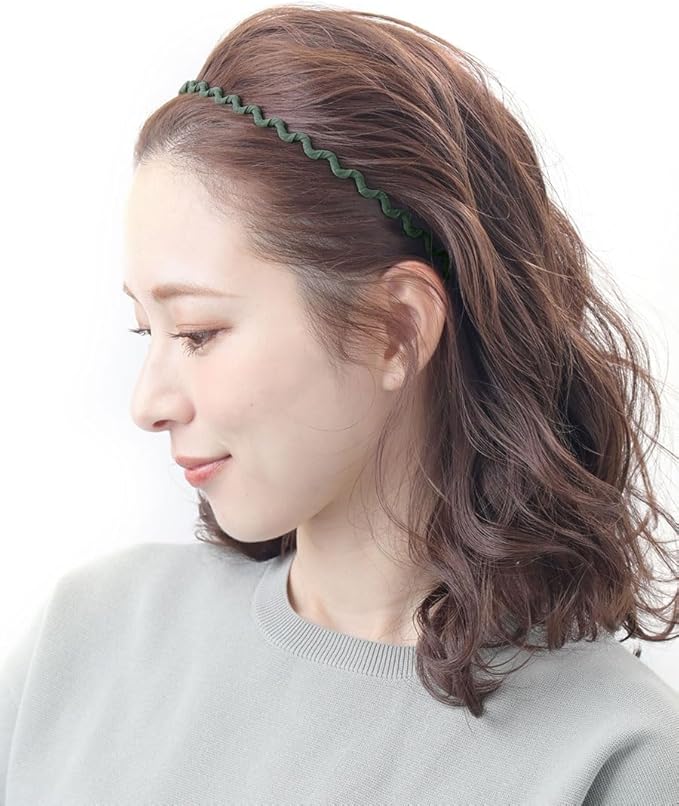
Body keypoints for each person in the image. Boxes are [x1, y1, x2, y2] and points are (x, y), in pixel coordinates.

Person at [2, 5, 678, 804]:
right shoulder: (88, 635)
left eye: (198, 332)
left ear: (396, 329)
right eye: (144, 330)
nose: (147, 404)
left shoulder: (612, 756)